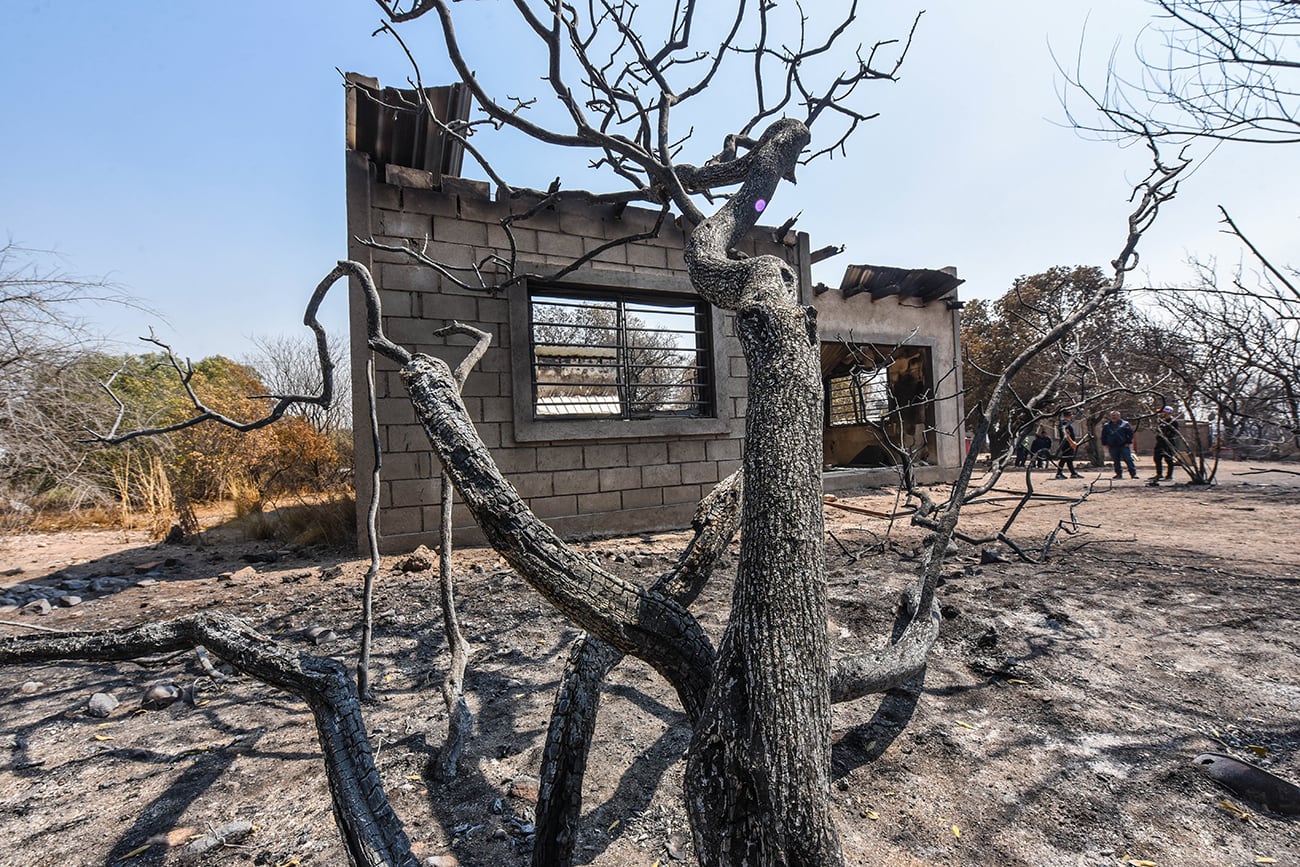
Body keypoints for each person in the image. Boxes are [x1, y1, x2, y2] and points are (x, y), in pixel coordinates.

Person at [1101, 410, 1138, 479]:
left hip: (1123, 445)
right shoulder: (1107, 426)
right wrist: (1105, 444)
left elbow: (1130, 434)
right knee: (1116, 461)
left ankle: (1133, 474)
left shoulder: (1125, 424)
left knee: (1128, 459)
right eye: (1112, 416)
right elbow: (1104, 436)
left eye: (1115, 415)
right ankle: (1118, 474)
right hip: (1112, 446)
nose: (1113, 417)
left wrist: (1128, 442)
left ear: (1119, 416)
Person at [1054, 410, 1083, 479]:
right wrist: (1072, 443)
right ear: (1070, 415)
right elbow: (1066, 434)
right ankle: (1059, 474)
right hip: (1066, 443)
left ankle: (1073, 473)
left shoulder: (1066, 422)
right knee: (1064, 458)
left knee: (1069, 458)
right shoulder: (1065, 423)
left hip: (1067, 443)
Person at [1152, 406, 1179, 480]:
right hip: (1160, 442)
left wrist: (1166, 435)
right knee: (1157, 458)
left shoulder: (1173, 422)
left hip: (1168, 443)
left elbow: (1174, 433)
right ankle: (1159, 474)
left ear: (1167, 412)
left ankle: (1169, 475)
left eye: (1163, 412)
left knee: (1168, 459)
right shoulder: (1161, 421)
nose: (1161, 413)